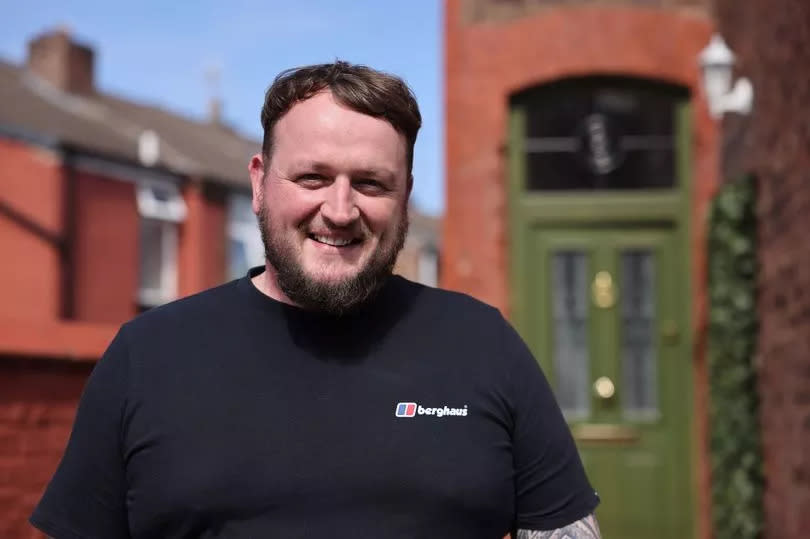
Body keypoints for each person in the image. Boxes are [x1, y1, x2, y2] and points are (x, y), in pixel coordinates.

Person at [30, 61, 600, 539]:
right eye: (312, 178)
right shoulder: (148, 356)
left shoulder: (482, 345)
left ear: (404, 197)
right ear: (259, 183)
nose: (340, 209)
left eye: (372, 183)